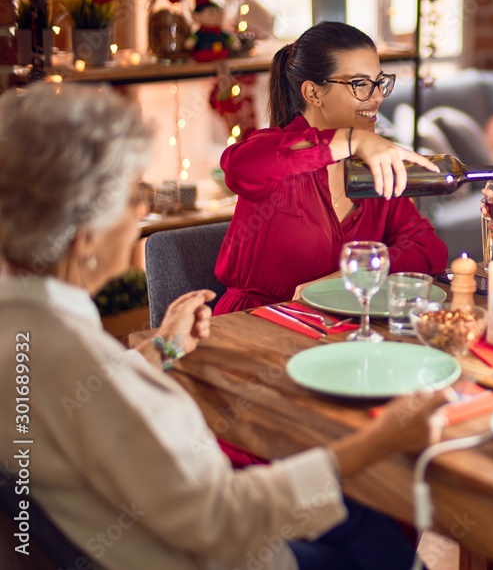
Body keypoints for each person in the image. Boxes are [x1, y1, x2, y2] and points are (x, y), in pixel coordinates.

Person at [0, 83, 450, 570]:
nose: (138, 212)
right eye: (134, 194)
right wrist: (374, 446)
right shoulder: (61, 349)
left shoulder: (27, 328)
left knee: (369, 523)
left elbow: (90, 399)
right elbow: (218, 519)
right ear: (84, 236)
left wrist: (161, 351)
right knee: (373, 516)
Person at [214, 21, 448, 314]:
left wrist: (357, 272)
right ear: (313, 93)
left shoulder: (373, 170)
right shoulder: (277, 153)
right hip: (252, 326)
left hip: (333, 331)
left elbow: (429, 249)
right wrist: (352, 140)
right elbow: (238, 166)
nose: (376, 97)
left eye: (379, 82)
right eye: (360, 84)